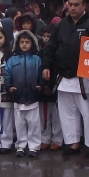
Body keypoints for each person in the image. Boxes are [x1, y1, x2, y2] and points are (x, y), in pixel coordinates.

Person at [42, 0, 89, 157]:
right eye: (70, 4)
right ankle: (73, 143)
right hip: (64, 75)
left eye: (77, 5)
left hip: (85, 76)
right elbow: (51, 47)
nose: (73, 8)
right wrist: (46, 65)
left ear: (84, 5)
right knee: (67, 113)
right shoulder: (60, 25)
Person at [6, 31, 44, 157]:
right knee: (20, 123)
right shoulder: (12, 60)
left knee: (34, 123)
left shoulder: (37, 59)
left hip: (33, 96)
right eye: (21, 42)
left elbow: (41, 74)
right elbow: (7, 74)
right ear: (17, 44)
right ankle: (21, 145)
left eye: (27, 42)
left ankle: (34, 146)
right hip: (18, 96)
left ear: (32, 44)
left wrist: (40, 85)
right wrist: (9, 87)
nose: (24, 44)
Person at [36, 23, 62, 151]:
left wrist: (52, 85)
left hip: (56, 85)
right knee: (44, 115)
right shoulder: (40, 50)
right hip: (43, 86)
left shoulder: (59, 50)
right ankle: (44, 138)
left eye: (49, 36)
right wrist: (43, 84)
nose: (46, 38)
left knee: (56, 114)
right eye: (44, 36)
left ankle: (57, 138)